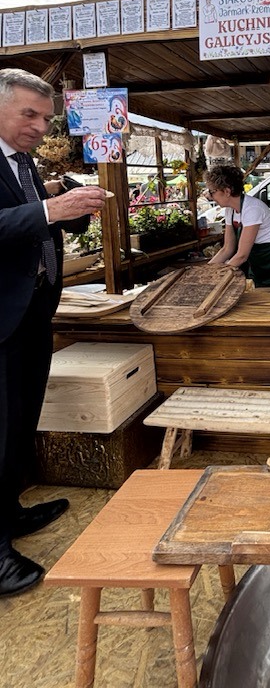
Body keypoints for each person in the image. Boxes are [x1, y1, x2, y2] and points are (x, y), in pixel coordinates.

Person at [0, 68, 108, 597]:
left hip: (32, 312)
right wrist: (48, 208)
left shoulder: (22, 162)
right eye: (30, 114)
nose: (41, 128)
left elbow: (29, 219)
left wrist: (67, 204)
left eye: (46, 118)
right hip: (2, 320)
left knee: (21, 422)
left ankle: (9, 512)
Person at [205, 164, 270, 286]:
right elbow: (227, 249)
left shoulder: (252, 209)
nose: (210, 196)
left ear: (227, 191)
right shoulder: (230, 211)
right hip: (259, 265)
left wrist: (220, 275)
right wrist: (206, 271)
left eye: (212, 192)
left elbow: (242, 255)